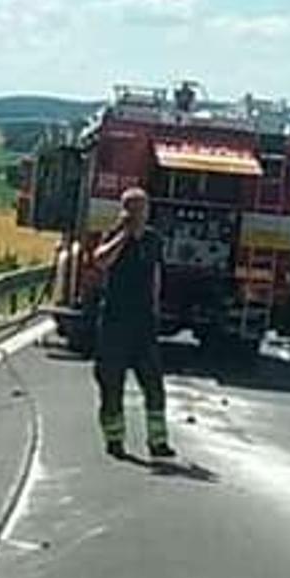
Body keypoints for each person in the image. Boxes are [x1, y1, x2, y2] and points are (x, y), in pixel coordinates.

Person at [91, 186, 173, 460]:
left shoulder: (153, 240)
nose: (139, 215)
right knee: (111, 385)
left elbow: (156, 276)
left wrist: (156, 308)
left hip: (144, 323)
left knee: (154, 386)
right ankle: (115, 440)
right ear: (123, 211)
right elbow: (101, 261)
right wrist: (124, 235)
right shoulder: (113, 236)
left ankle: (158, 442)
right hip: (115, 322)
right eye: (133, 209)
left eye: (142, 209)